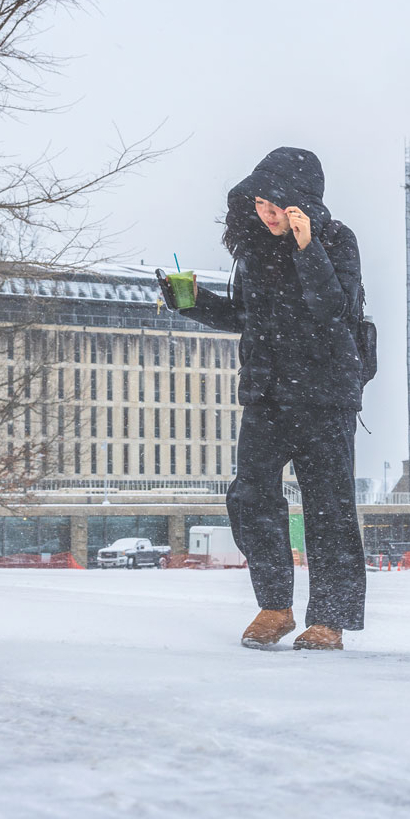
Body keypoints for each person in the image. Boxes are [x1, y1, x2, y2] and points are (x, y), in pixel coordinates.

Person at [160, 147, 366, 651]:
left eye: (276, 205)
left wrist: (307, 248)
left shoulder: (337, 241)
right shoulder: (252, 253)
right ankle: (275, 606)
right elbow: (244, 317)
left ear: (303, 204)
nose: (266, 214)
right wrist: (189, 301)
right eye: (258, 204)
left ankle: (329, 620)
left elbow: (334, 310)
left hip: (325, 398)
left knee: (329, 510)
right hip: (267, 396)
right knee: (250, 497)